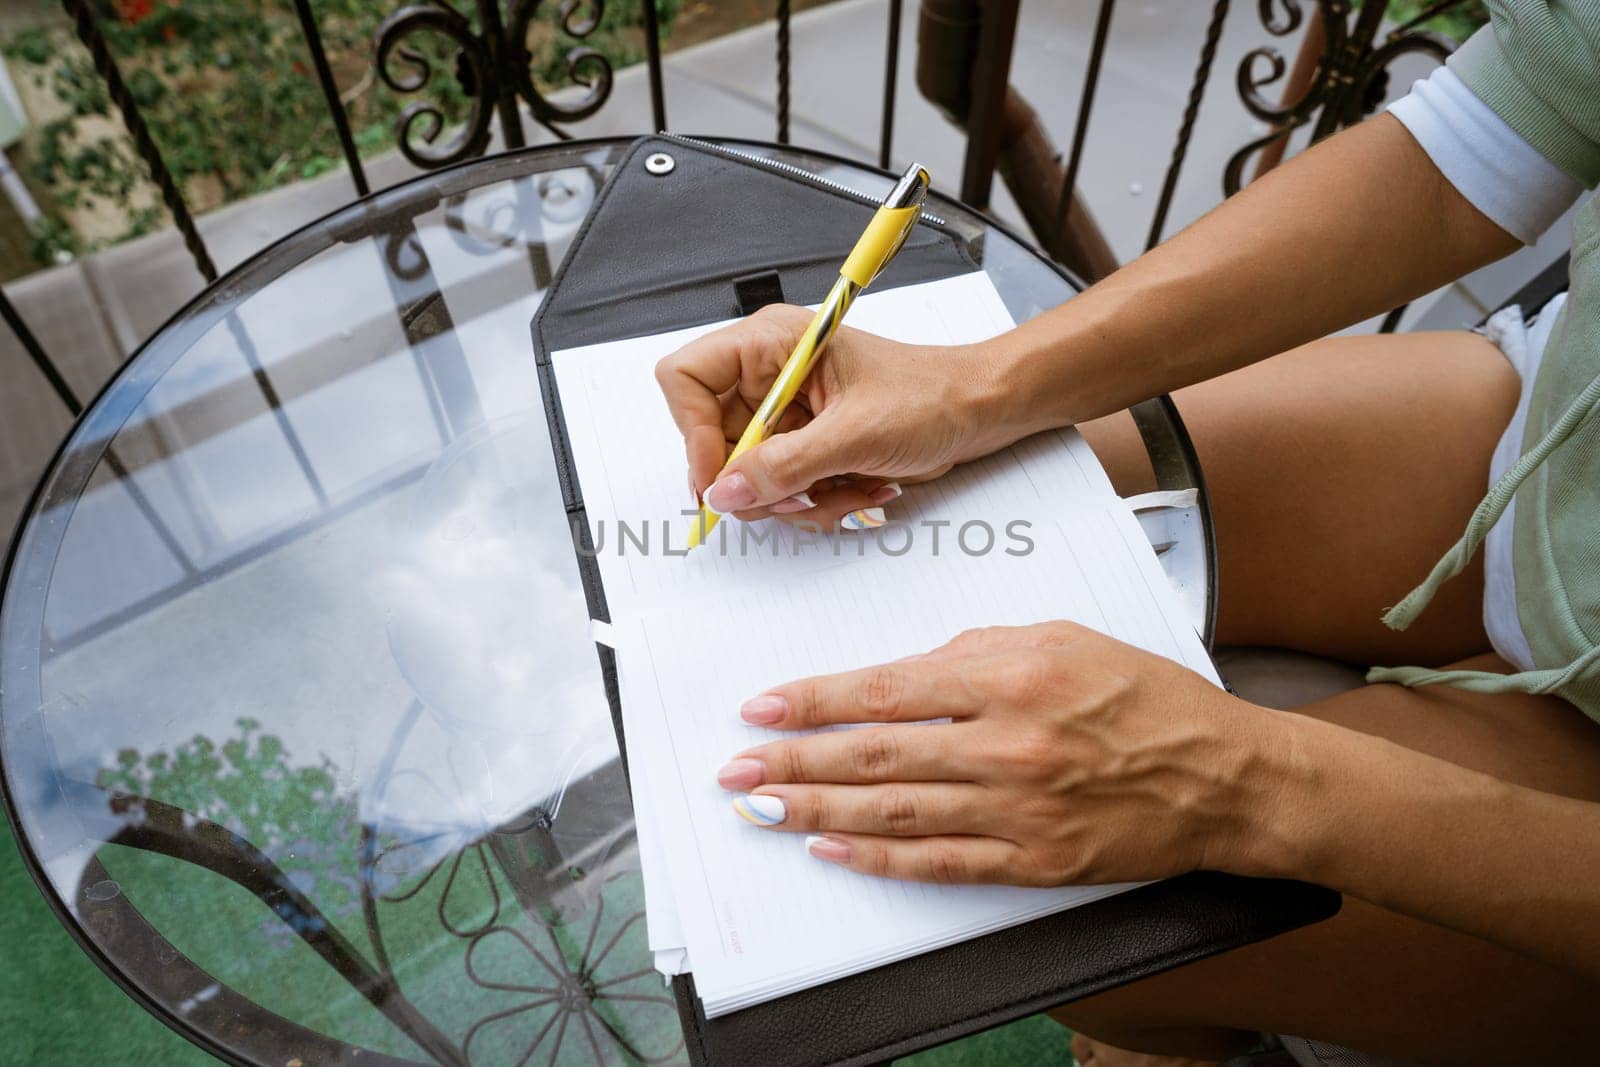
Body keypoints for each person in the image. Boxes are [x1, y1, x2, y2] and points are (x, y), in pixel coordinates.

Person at [653, 2, 1599, 1062]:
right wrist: (976, 388)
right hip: (1540, 437)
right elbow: (1495, 130)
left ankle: (1159, 1027)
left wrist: (1255, 781)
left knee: (1085, 923)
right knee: (997, 487)